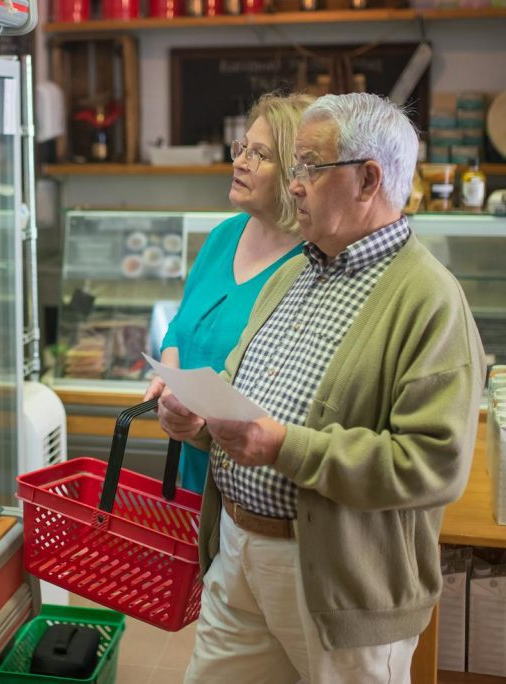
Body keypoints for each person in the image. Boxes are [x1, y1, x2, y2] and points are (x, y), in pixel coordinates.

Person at [157, 92, 485, 683]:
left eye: (309, 166)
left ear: (367, 180)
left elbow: (433, 465)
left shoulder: (429, 299)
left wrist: (285, 447)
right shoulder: (294, 270)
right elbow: (237, 382)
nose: (294, 184)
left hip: (339, 583)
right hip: (238, 553)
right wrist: (198, 420)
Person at [144, 92, 313, 494]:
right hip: (195, 475)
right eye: (242, 148)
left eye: (260, 155)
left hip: (258, 484)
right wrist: (171, 391)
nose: (239, 162)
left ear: (297, 173)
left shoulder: (311, 261)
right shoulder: (224, 235)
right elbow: (180, 328)